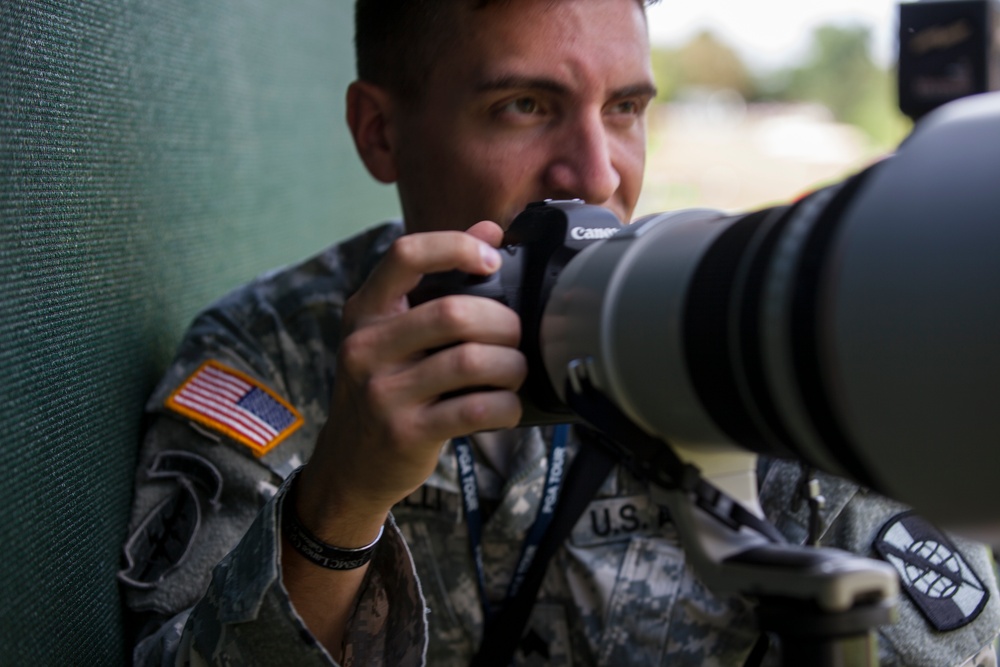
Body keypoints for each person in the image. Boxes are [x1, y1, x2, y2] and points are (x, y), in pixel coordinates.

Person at [119, 0, 1000, 665]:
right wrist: (341, 501)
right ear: (380, 133)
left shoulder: (744, 321)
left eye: (624, 107)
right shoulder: (272, 352)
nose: (596, 172)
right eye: (525, 106)